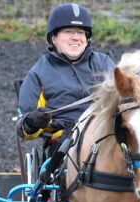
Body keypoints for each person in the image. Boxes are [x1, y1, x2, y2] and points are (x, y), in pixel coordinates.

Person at [17, 3, 115, 146]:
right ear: (54, 38)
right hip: (63, 142)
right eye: (69, 31)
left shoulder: (104, 63)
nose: (76, 37)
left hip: (105, 136)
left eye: (81, 32)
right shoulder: (39, 72)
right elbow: (23, 129)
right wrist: (33, 121)